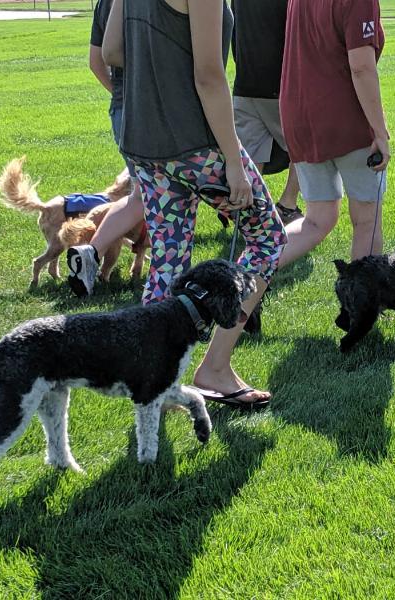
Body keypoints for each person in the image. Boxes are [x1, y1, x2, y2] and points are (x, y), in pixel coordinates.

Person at [93, 0, 287, 407]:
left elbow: (111, 53)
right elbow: (209, 75)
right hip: (197, 144)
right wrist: (234, 161)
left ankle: (153, 378)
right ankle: (215, 367)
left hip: (143, 143)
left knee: (167, 263)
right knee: (268, 239)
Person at [275, 0, 390, 268]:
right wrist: (380, 132)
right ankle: (363, 307)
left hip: (299, 114)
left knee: (318, 220)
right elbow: (361, 67)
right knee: (367, 218)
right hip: (342, 116)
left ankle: (245, 273)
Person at [81, 0, 146, 297]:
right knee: (163, 197)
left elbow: (97, 62)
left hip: (120, 109)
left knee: (140, 196)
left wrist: (121, 95)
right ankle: (166, 278)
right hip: (154, 111)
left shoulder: (105, 3)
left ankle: (90, 255)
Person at [230, 0, 302, 225]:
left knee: (252, 157)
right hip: (279, 83)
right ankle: (287, 205)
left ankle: (252, 214)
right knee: (304, 149)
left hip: (245, 81)